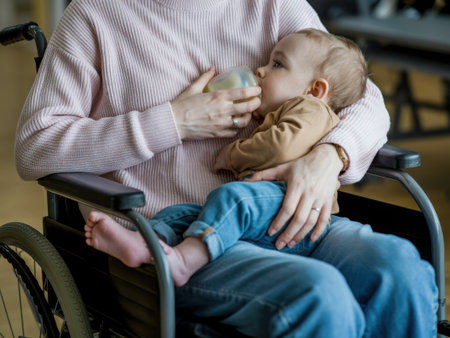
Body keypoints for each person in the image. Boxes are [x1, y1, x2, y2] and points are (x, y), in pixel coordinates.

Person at [15, 0, 437, 337]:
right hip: (175, 237)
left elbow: (361, 95)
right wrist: (173, 121)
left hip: (284, 216)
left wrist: (328, 156)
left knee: (400, 267)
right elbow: (35, 146)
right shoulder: (94, 16)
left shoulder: (274, 7)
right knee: (318, 295)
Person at [83, 28, 368, 288]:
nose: (261, 70)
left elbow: (281, 147)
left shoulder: (312, 109)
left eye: (277, 65)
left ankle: (183, 263)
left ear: (315, 90)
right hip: (265, 209)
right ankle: (144, 243)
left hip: (288, 209)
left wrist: (232, 154)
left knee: (232, 198)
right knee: (182, 213)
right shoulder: (291, 109)